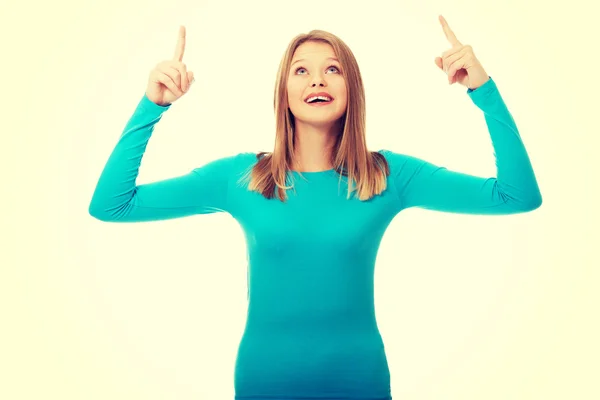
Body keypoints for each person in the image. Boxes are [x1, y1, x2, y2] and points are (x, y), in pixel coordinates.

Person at [89, 15, 542, 400]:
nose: (318, 79)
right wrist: (153, 105)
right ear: (283, 92)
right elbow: (112, 205)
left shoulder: (389, 176)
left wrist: (482, 89)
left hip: (358, 381)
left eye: (333, 69)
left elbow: (517, 196)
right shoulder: (240, 178)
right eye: (301, 71)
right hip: (265, 381)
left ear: (352, 89)